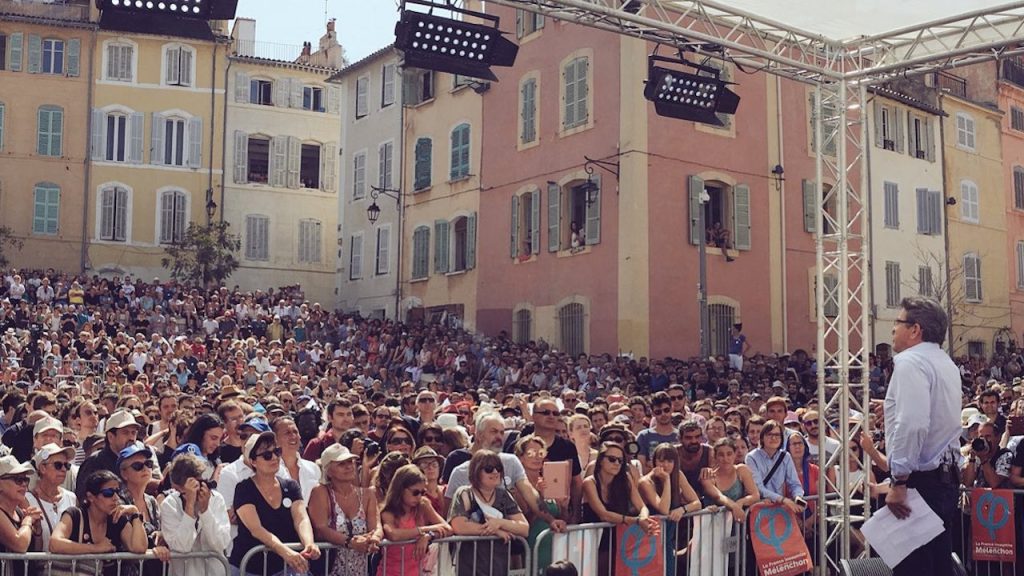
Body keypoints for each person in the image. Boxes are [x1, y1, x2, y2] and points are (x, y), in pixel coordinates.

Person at [883, 297, 961, 576]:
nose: (893, 329)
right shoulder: (946, 364)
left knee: (913, 568)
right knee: (937, 566)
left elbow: (912, 424)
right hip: (945, 480)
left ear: (915, 329)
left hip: (920, 484)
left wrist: (899, 480)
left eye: (898, 322)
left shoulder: (909, 362)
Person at [229, 430, 320, 576]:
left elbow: (301, 518)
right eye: (266, 455)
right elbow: (256, 529)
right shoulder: (244, 488)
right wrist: (285, 552)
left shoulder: (291, 486)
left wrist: (309, 543)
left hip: (285, 567)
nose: (274, 458)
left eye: (277, 451)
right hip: (249, 568)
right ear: (253, 461)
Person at [448, 450, 530, 576]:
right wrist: (495, 531)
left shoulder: (503, 495)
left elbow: (524, 528)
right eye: (488, 469)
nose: (495, 472)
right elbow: (459, 525)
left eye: (498, 468)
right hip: (470, 568)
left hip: (498, 566)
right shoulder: (464, 494)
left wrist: (499, 522)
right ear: (476, 471)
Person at [582, 442, 659, 575]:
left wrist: (644, 518)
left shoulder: (626, 479)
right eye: (612, 459)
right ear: (600, 460)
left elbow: (642, 506)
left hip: (621, 541)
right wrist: (636, 521)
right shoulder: (590, 482)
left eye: (620, 460)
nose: (617, 463)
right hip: (596, 544)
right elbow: (603, 514)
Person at [50, 470, 148, 573]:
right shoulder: (75, 515)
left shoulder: (117, 519)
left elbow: (139, 547)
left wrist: (135, 512)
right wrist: (95, 548)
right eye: (108, 493)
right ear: (90, 497)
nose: (116, 498)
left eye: (117, 492)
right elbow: (54, 543)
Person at [308, 444, 380, 576]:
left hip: (361, 570)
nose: (348, 466)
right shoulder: (320, 492)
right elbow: (321, 528)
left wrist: (374, 539)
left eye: (350, 462)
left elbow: (376, 526)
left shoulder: (367, 494)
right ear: (328, 470)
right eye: (341, 464)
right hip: (328, 570)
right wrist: (350, 542)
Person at [160, 453, 232, 576]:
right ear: (177, 488)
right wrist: (189, 506)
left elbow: (221, 543)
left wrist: (205, 511)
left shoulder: (216, 499)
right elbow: (181, 546)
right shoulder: (170, 504)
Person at [378, 464, 452, 576]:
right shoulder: (388, 511)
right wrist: (424, 530)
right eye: (415, 492)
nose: (419, 497)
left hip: (417, 572)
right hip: (390, 572)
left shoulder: (423, 504)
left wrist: (429, 536)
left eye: (422, 492)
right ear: (401, 489)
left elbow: (448, 528)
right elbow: (393, 535)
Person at [116, 443, 170, 574]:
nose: (145, 469)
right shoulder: (117, 501)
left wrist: (160, 537)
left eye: (149, 464)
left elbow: (158, 535)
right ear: (124, 474)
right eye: (137, 466)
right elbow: (125, 545)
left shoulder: (152, 501)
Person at [745, 421, 805, 516]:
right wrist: (783, 500)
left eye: (777, 435)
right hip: (759, 508)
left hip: (779, 510)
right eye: (769, 434)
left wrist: (798, 496)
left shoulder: (786, 456)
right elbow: (758, 488)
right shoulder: (751, 457)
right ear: (762, 437)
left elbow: (794, 483)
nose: (773, 438)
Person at [26, 443, 77, 552]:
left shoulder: (72, 498)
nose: (64, 469)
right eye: (58, 465)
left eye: (67, 465)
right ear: (42, 468)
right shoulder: (26, 499)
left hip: (68, 567)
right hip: (41, 567)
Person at [701, 437, 759, 521]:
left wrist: (741, 502)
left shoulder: (741, 470)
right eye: (721, 455)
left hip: (737, 524)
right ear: (715, 456)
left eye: (729, 454)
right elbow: (718, 496)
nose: (725, 458)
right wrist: (734, 506)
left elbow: (755, 495)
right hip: (713, 525)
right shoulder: (708, 476)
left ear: (735, 454)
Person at [0, 455, 42, 556]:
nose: (24, 484)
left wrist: (38, 528)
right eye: (18, 480)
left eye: (25, 480)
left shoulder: (20, 512)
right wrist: (28, 520)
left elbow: (37, 550)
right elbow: (20, 545)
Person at [412, 446, 446, 516]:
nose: (430, 467)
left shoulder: (446, 491)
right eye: (424, 464)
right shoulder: (416, 495)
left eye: (434, 464)